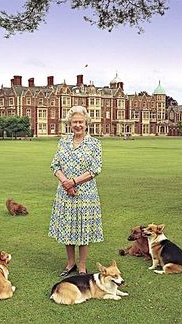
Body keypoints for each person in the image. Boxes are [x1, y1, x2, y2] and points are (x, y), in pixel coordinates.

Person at [49, 106, 104, 276]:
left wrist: (73, 182)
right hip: (65, 192)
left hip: (85, 193)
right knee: (68, 227)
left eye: (81, 122)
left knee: (83, 228)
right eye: (74, 122)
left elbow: (95, 169)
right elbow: (55, 165)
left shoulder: (94, 144)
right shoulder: (63, 141)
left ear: (86, 123)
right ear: (69, 123)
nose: (78, 125)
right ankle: (70, 263)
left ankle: (82, 266)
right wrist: (65, 182)